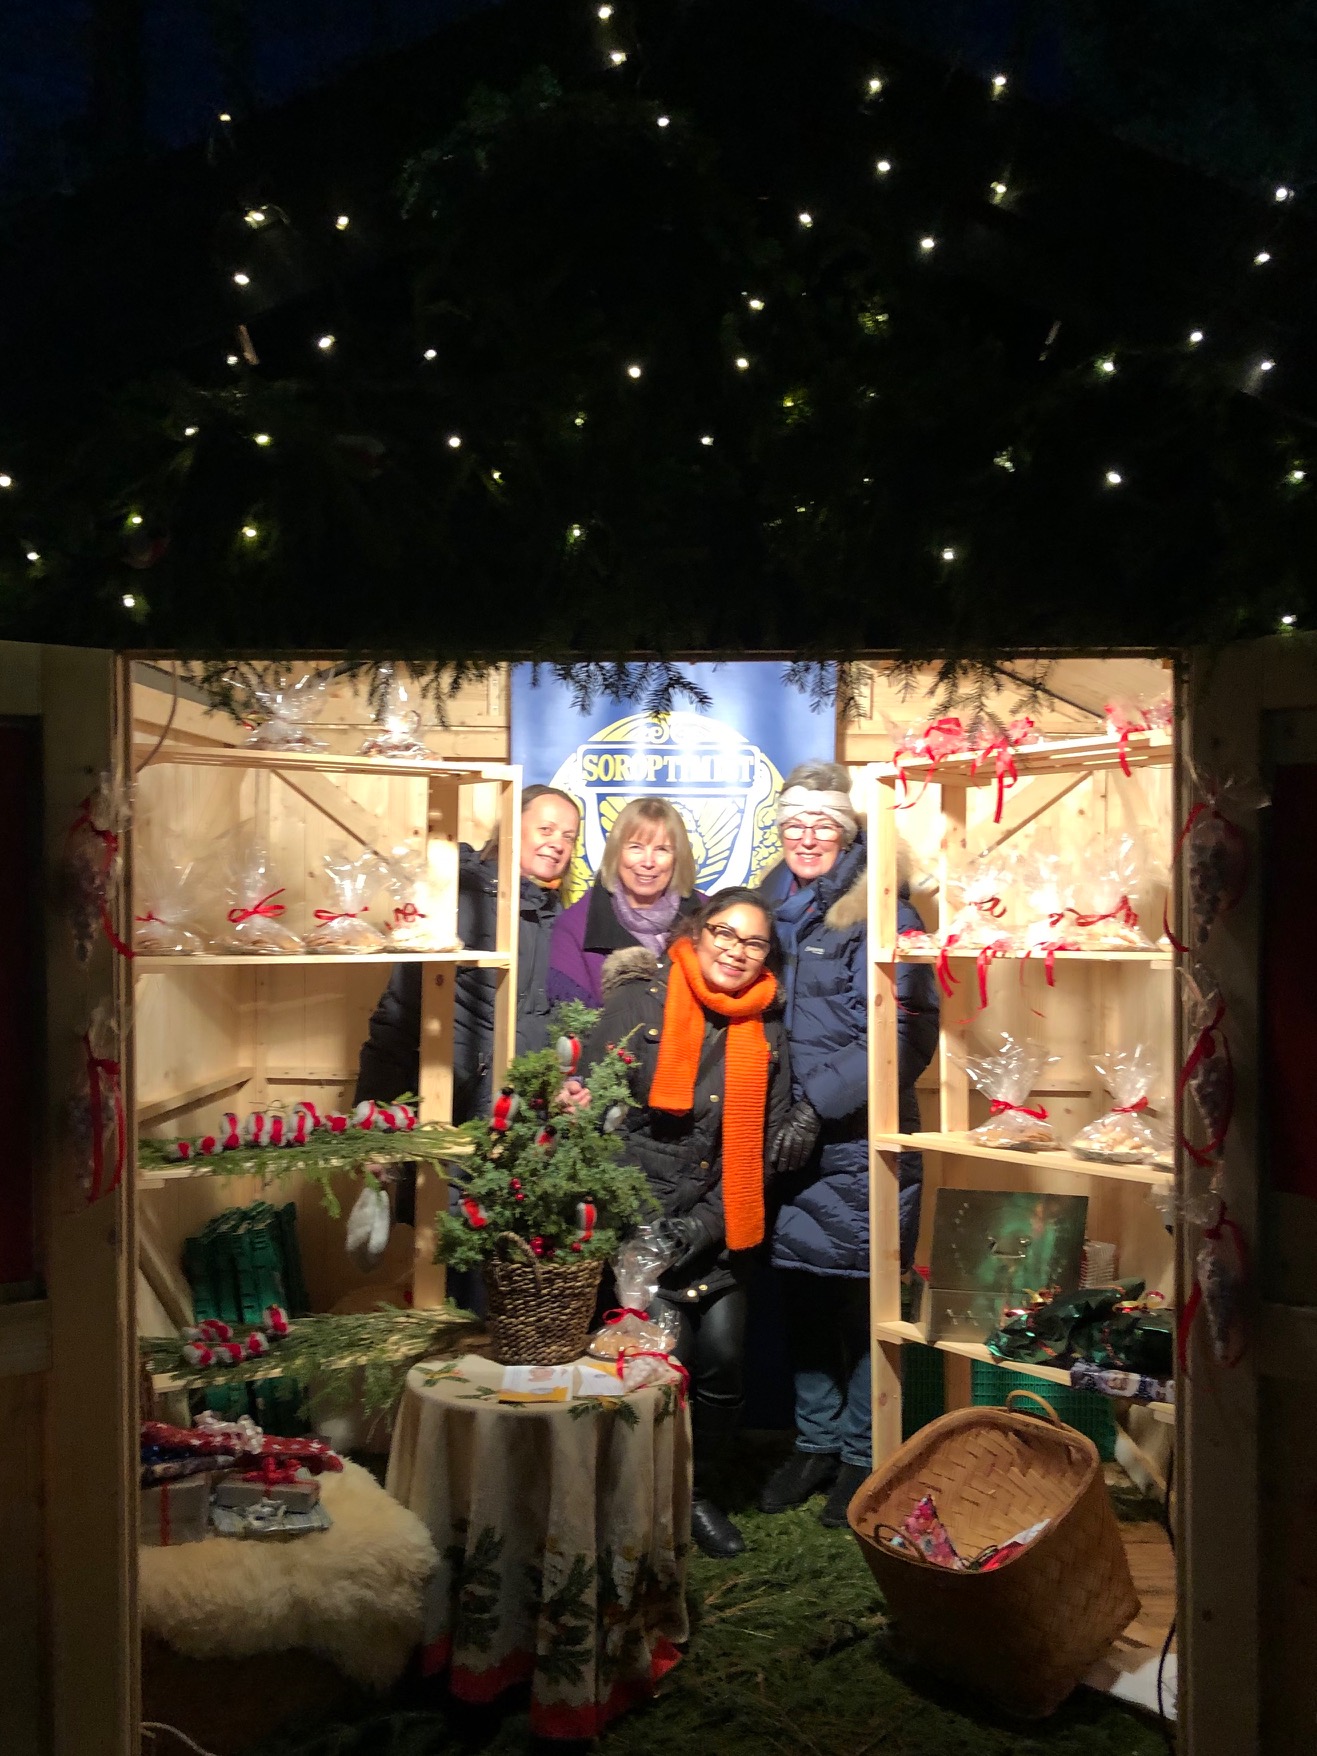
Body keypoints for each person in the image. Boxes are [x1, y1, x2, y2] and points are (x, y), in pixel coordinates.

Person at [572, 889, 792, 1559]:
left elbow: (759, 1153)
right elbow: (595, 1125)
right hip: (635, 1229)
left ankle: (697, 1494)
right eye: (724, 933)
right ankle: (637, 1497)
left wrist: (696, 1229)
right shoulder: (637, 1006)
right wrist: (640, 1229)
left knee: (724, 1362)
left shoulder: (767, 1032)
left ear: (766, 957)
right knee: (657, 1365)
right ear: (697, 933)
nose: (736, 951)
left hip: (716, 1227)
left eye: (753, 942)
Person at [756, 761, 939, 1528]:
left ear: (845, 831)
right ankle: (815, 1442)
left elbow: (905, 1030)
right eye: (793, 824)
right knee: (802, 1295)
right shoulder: (767, 902)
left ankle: (863, 1452)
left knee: (865, 1303)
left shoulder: (885, 908)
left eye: (822, 826)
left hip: (862, 1144)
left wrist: (816, 1105)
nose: (805, 838)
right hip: (785, 1141)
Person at [354, 785, 581, 1126]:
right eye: (546, 829)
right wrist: (374, 1113)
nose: (558, 843)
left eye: (568, 836)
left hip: (518, 1117)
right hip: (446, 1112)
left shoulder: (557, 919)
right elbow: (399, 1012)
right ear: (511, 829)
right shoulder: (457, 901)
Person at [546, 797, 701, 1010]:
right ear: (616, 853)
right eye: (636, 847)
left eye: (662, 849)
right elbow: (572, 1021)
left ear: (678, 858)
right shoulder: (575, 927)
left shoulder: (710, 917)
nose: (648, 862)